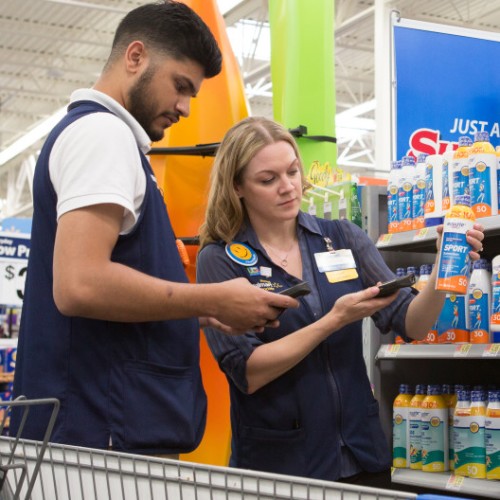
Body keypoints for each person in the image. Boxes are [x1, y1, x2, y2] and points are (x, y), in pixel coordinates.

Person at [11, 2, 297, 455]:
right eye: (180, 86)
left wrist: (198, 313)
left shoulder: (113, 141)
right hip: (98, 433)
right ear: (136, 56)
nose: (184, 107)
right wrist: (213, 296)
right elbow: (79, 284)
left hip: (105, 426)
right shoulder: (101, 136)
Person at [196, 116, 484, 485]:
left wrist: (447, 267)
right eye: (268, 180)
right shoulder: (220, 259)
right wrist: (332, 321)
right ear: (237, 186)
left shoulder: (341, 237)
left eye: (293, 172)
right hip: (281, 463)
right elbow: (248, 373)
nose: (288, 187)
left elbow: (413, 323)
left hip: (362, 453)